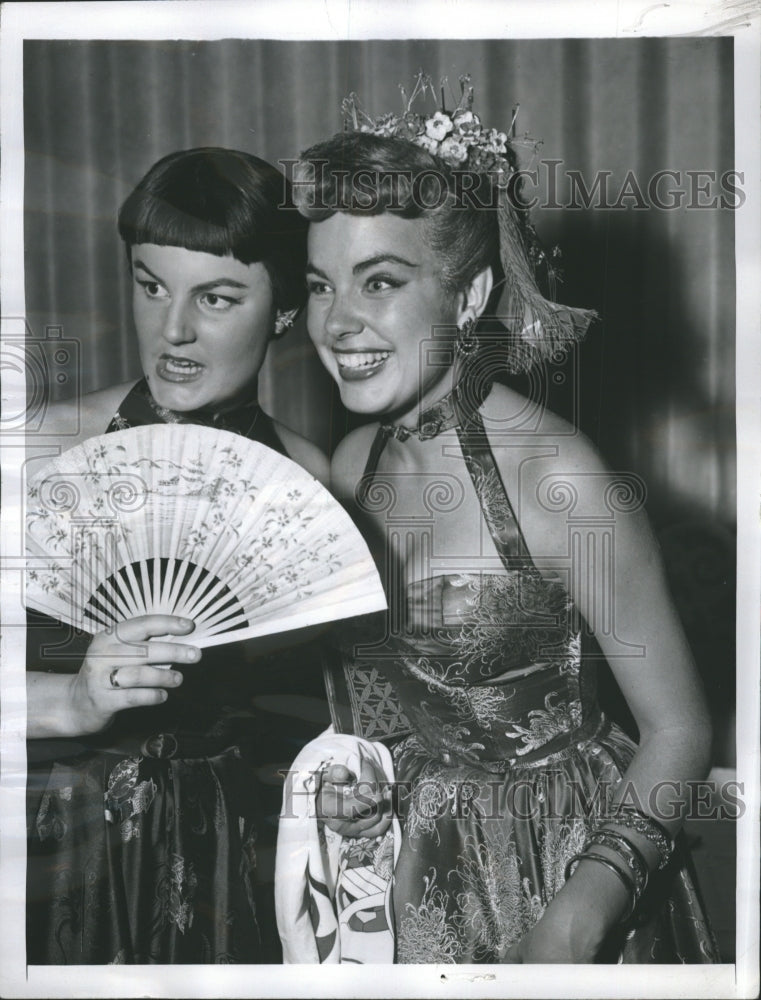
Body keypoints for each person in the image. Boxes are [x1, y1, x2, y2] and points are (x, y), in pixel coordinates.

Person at [285, 85, 720, 963]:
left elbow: (678, 731)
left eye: (381, 282)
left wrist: (578, 916)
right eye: (322, 285)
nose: (337, 322)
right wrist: (356, 783)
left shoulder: (560, 479)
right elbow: (377, 700)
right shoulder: (350, 467)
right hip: (407, 868)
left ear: (469, 292)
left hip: (564, 861)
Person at [26, 147, 330, 964]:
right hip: (56, 851)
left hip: (237, 863)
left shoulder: (314, 483)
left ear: (284, 311)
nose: (173, 330)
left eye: (217, 297)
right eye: (150, 284)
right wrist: (71, 702)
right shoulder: (37, 449)